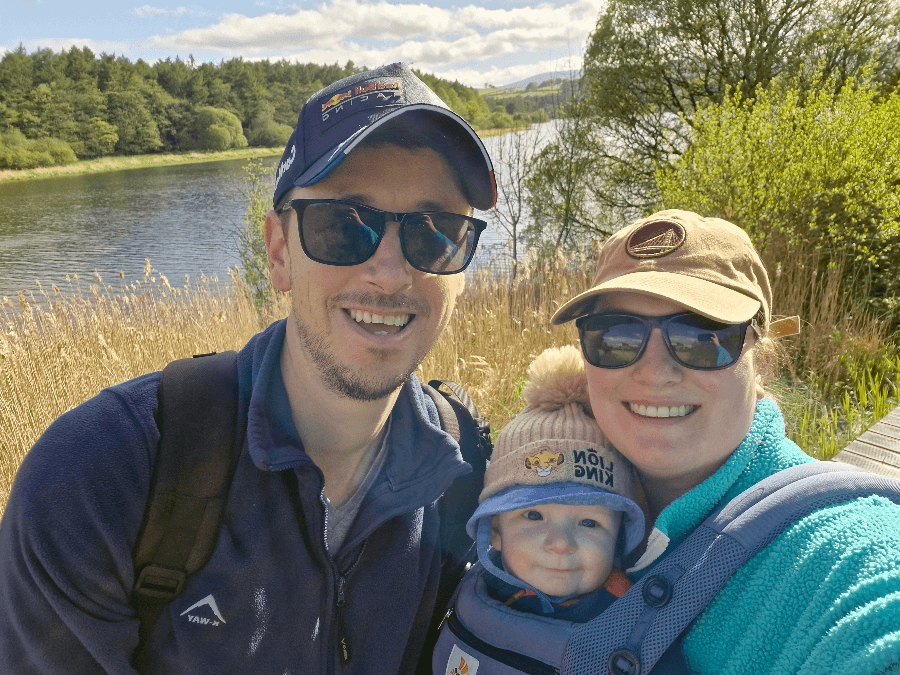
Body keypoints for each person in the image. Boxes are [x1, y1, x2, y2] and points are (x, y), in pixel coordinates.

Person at [0, 62, 497, 674]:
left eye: (435, 230)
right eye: (344, 225)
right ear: (279, 251)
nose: (390, 272)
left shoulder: (466, 468)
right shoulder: (102, 475)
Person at [551, 209, 900, 674]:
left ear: (760, 352)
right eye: (617, 336)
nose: (655, 373)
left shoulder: (842, 555)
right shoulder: (545, 478)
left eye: (701, 337)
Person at [434, 345, 687, 674]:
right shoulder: (470, 587)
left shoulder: (636, 621)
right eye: (534, 515)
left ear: (619, 538)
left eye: (589, 522)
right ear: (495, 531)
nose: (560, 542)